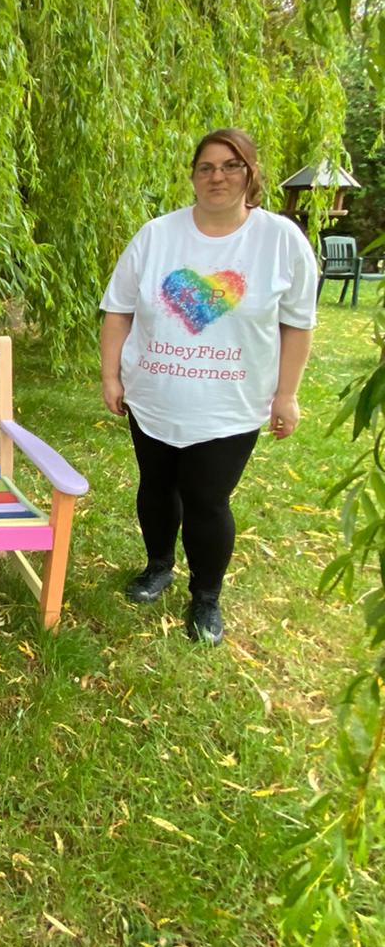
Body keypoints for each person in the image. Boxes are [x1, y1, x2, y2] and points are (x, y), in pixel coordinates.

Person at [99, 127, 317, 645]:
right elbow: (118, 309)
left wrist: (286, 394)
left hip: (230, 403)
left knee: (207, 498)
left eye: (231, 165)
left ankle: (206, 597)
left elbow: (298, 324)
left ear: (251, 173)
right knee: (156, 487)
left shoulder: (281, 240)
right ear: (194, 176)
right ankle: (158, 567)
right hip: (152, 395)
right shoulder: (156, 235)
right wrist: (111, 374)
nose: (217, 176)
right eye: (206, 167)